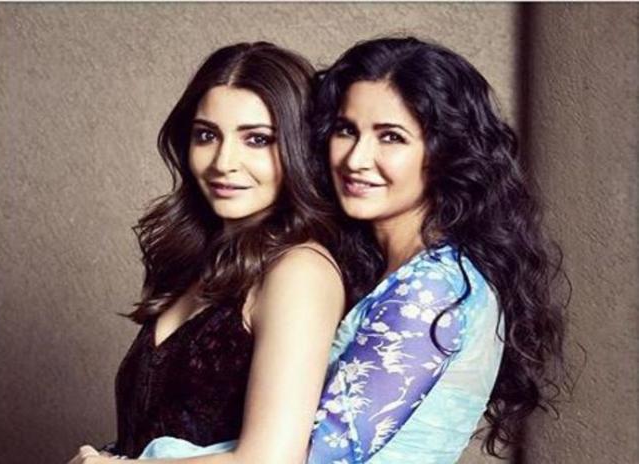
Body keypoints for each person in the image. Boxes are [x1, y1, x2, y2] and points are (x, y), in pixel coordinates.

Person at [93, 37, 567, 464]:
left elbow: (306, 460)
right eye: (345, 130)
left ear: (447, 152)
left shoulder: (432, 288)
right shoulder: (390, 271)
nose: (356, 159)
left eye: (391, 137)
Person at [67, 41, 371, 464]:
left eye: (257, 139)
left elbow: (269, 460)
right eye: (207, 135)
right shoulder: (196, 261)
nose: (223, 161)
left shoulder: (300, 270)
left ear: (300, 149)